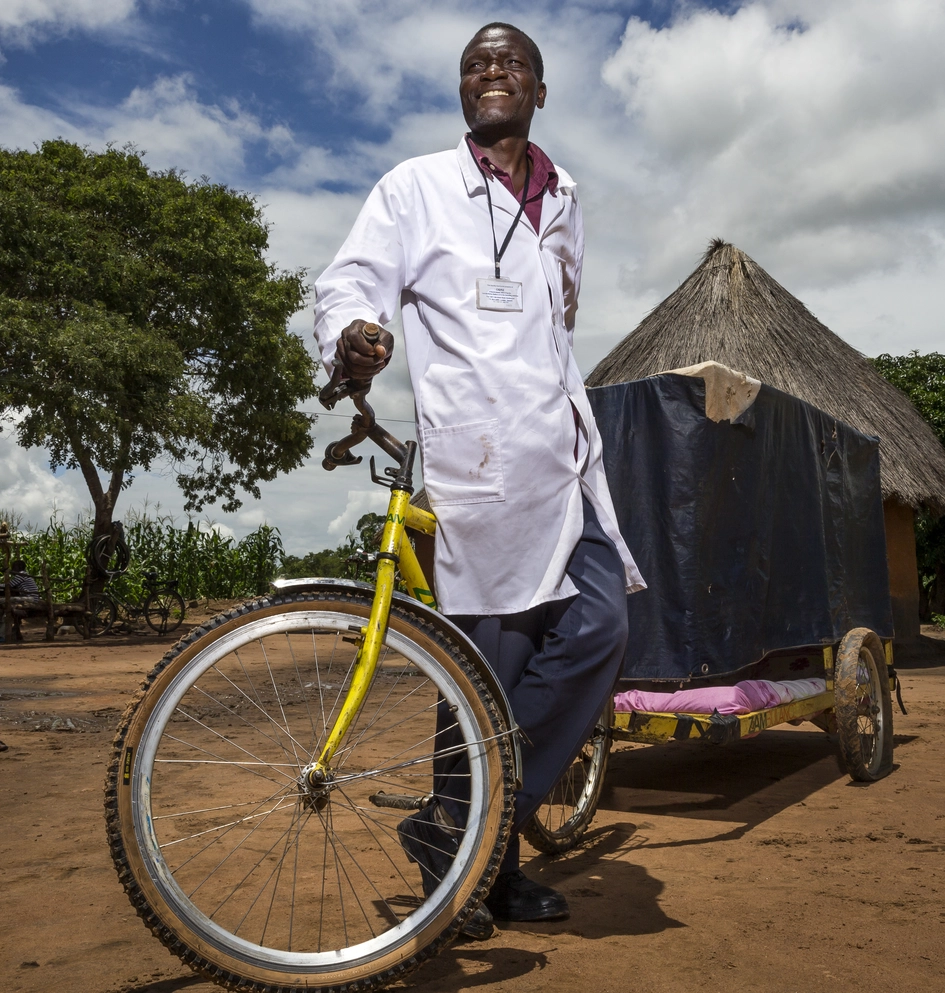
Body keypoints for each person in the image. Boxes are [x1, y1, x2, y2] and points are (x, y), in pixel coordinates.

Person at [313, 21, 645, 938]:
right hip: (483, 471)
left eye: (510, 63)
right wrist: (354, 336)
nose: (490, 72)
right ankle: (477, 871)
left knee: (600, 624)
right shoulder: (415, 189)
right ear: (462, 91)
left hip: (563, 462)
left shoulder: (565, 195)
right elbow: (349, 281)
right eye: (474, 64)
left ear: (539, 90)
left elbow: (561, 312)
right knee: (485, 677)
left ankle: (458, 823)